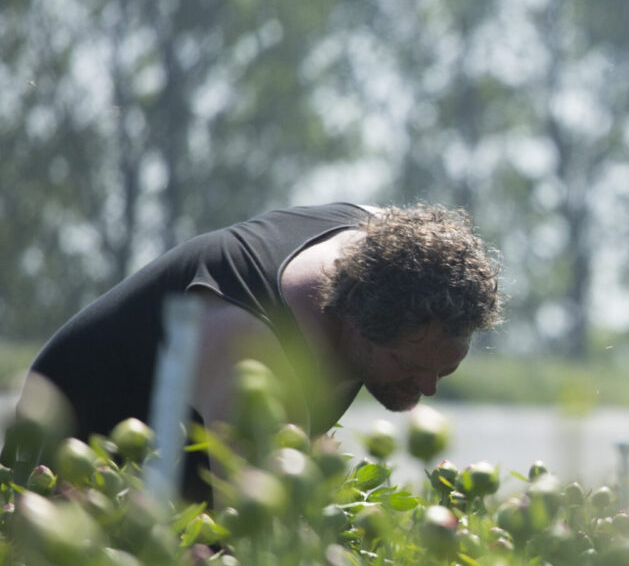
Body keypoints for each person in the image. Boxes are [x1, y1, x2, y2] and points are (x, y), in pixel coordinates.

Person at [9, 203, 501, 500]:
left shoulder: (385, 238)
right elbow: (245, 543)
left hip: (184, 469)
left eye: (446, 370)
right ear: (355, 323)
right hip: (63, 472)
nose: (428, 389)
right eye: (411, 365)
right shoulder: (248, 345)